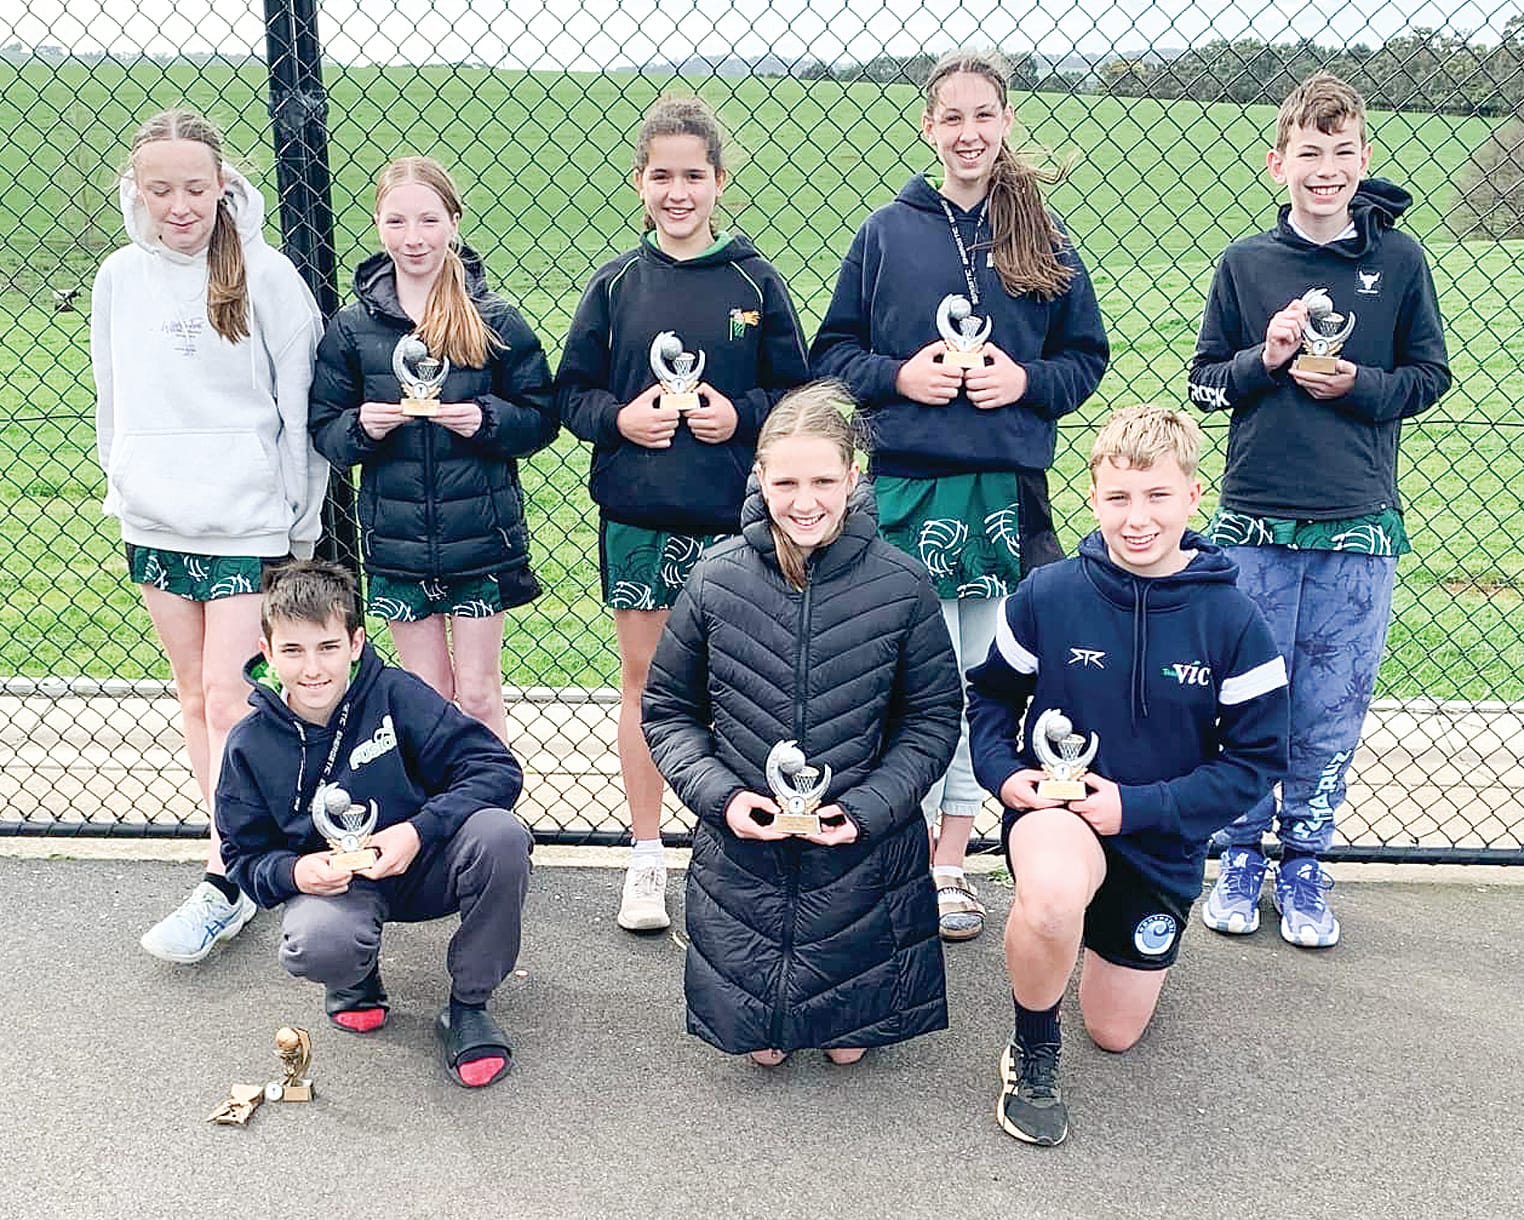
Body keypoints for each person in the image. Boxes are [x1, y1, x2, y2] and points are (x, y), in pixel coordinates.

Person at [810, 48, 1109, 943]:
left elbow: (1083, 360)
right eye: (953, 117)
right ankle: (890, 853)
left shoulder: (1044, 237)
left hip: (1002, 495)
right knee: (907, 678)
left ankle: (950, 863)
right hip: (906, 490)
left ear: (1006, 122)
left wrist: (1025, 382)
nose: (969, 132)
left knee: (986, 681)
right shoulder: (885, 234)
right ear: (928, 126)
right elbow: (833, 358)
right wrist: (901, 375)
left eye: (985, 115)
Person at [967, 404, 1289, 1146]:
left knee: (1113, 1032)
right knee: (1049, 899)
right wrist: (1005, 774)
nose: (1136, 518)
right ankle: (1033, 1050)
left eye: (1156, 497)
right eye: (1118, 498)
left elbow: (1256, 762)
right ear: (1093, 497)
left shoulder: (1235, 621)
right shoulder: (1050, 594)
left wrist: (1140, 806)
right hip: (1060, 816)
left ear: (1192, 497)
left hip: (1158, 836)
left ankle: (1106, 941)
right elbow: (988, 697)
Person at [1188, 72, 1450, 948]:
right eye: (1309, 152)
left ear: (1363, 158)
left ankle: (1306, 855)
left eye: (1343, 153)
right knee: (1249, 692)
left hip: (1357, 522)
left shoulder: (1400, 263)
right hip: (1255, 519)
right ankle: (1240, 850)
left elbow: (1429, 378)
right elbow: (1204, 389)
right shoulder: (1244, 265)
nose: (1326, 168)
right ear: (1278, 163)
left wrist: (1358, 385)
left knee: (1332, 701)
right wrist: (1264, 360)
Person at [643, 381, 962, 1066]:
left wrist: (872, 808)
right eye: (785, 481)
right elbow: (669, 711)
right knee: (760, 1048)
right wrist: (722, 799)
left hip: (860, 858)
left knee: (848, 1047)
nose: (805, 501)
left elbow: (933, 718)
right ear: (759, 476)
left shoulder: (903, 585)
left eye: (823, 479)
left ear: (855, 476)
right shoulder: (714, 580)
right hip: (746, 861)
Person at [555, 97, 810, 933]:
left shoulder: (755, 282)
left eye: (693, 175)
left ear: (719, 182)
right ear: (639, 182)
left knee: (739, 688)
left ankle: (732, 844)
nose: (677, 191)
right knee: (649, 683)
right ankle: (645, 852)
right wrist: (620, 420)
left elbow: (799, 394)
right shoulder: (616, 285)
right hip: (639, 516)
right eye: (661, 175)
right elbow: (571, 394)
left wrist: (742, 417)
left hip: (735, 521)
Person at [91, 109, 327, 964]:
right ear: (137, 192)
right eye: (161, 189)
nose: (179, 205)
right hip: (155, 518)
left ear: (222, 186)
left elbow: (298, 404)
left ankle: (231, 874)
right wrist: (125, 484)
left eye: (196, 188)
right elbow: (111, 396)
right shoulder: (120, 276)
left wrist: (299, 517)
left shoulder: (266, 277)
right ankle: (232, 854)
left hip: (244, 520)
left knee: (233, 698)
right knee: (193, 696)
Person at [216, 560, 532, 1089]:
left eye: (328, 648)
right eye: (292, 651)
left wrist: (420, 829)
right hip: (339, 887)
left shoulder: (394, 695)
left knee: (500, 836)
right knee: (318, 942)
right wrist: (296, 874)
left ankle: (468, 1005)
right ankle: (355, 977)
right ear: (268, 653)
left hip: (420, 861)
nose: (312, 668)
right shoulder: (249, 744)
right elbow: (244, 857)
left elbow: (495, 768)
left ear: (356, 644)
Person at [309, 155, 557, 745]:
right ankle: (436, 821)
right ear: (376, 225)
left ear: (454, 221)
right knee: (424, 694)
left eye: (427, 220)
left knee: (477, 693)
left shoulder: (492, 318)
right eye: (396, 223)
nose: (412, 238)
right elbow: (325, 428)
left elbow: (542, 415)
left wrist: (488, 420)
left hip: (479, 538)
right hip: (397, 545)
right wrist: (362, 427)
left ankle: (491, 815)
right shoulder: (353, 327)